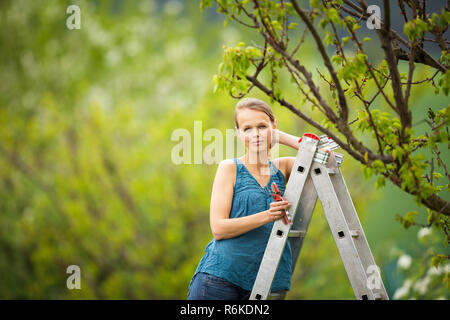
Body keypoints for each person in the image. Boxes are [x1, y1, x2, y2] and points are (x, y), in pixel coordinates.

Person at [187, 97, 328, 300]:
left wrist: (279, 137)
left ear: (274, 125)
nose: (255, 134)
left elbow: (326, 158)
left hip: (263, 284)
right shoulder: (230, 168)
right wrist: (267, 216)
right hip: (219, 281)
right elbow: (218, 229)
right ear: (238, 133)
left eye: (262, 126)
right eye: (247, 129)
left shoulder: (285, 167)